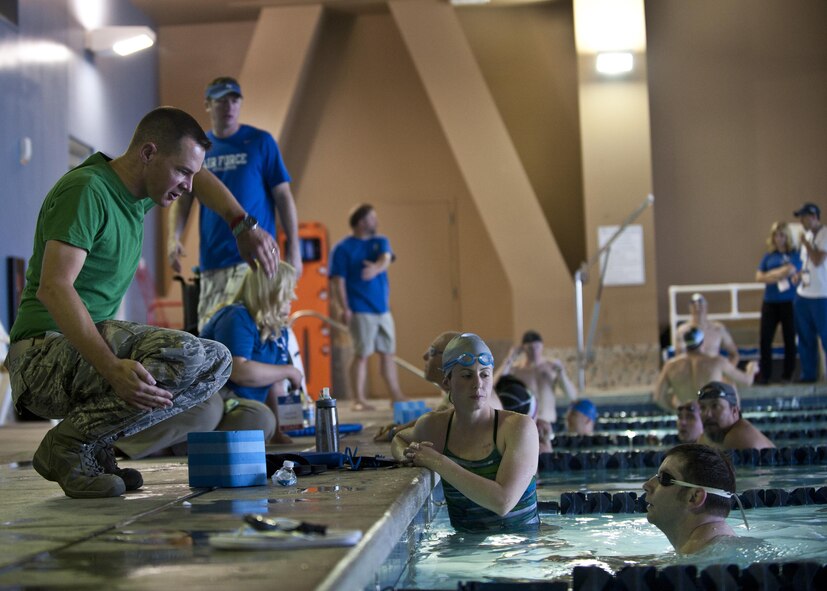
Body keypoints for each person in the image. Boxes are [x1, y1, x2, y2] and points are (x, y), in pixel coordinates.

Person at [4, 107, 279, 498]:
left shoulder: (138, 194)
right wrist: (111, 367)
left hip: (74, 356)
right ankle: (66, 445)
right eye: (182, 171)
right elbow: (54, 288)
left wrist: (241, 224)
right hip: (39, 357)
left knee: (217, 362)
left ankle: (93, 444)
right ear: (148, 153)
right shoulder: (88, 190)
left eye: (190, 175)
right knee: (184, 351)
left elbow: (202, 181)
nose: (187, 185)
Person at [168, 76, 301, 331]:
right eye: (220, 101)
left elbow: (284, 196)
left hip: (259, 261)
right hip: (214, 261)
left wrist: (294, 248)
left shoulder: (261, 142)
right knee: (214, 338)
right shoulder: (199, 148)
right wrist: (173, 238)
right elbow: (183, 197)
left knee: (261, 334)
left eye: (234, 100)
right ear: (207, 105)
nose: (228, 107)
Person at [392, 333, 540, 533]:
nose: (478, 384)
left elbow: (503, 502)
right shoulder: (434, 427)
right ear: (447, 382)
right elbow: (400, 439)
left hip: (520, 549)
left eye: (485, 374)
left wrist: (437, 461)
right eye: (467, 375)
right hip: (465, 551)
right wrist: (408, 456)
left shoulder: (519, 428)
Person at [198, 263, 303, 444]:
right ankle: (187, 443)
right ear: (269, 291)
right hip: (216, 398)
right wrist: (289, 371)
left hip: (241, 405)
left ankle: (202, 444)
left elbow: (275, 384)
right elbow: (240, 371)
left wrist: (278, 432)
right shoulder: (237, 316)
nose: (293, 297)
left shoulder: (278, 330)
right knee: (256, 419)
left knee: (263, 421)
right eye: (287, 291)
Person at [330, 204, 405, 410]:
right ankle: (359, 399)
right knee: (362, 354)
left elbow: (386, 257)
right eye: (372, 218)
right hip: (359, 309)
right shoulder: (343, 248)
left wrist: (376, 269)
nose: (376, 222)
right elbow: (338, 281)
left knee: (388, 353)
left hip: (382, 309)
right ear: (362, 222)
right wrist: (344, 307)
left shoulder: (380, 241)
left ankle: (395, 394)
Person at [643, 443, 741, 554]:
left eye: (664, 478)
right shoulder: (718, 549)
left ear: (694, 497)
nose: (647, 485)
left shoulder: (698, 561)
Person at [653, 327, 758, 411]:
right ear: (703, 342)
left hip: (688, 416)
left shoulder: (670, 366)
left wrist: (677, 410)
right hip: (710, 415)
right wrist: (751, 369)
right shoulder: (716, 362)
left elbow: (658, 397)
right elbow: (746, 381)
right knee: (729, 384)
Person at [499, 330, 577, 431]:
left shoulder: (552, 368)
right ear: (523, 348)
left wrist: (562, 374)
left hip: (549, 423)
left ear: (542, 346)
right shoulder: (516, 370)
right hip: (527, 424)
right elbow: (496, 385)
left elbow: (572, 396)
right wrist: (509, 358)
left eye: (537, 347)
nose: (534, 351)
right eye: (530, 348)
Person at [755, 221, 801, 384]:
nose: (778, 238)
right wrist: (778, 273)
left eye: (781, 235)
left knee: (789, 338)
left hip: (788, 302)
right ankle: (765, 375)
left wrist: (771, 275)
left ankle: (788, 374)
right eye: (775, 235)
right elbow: (759, 277)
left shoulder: (795, 253)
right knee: (765, 339)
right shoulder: (768, 256)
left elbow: (791, 270)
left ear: (786, 236)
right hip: (770, 302)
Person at [792, 202, 827, 383]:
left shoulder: (824, 234)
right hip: (803, 294)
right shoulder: (807, 235)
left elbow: (819, 260)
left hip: (821, 295)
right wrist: (798, 275)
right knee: (805, 336)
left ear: (813, 217)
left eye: (804, 218)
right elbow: (806, 263)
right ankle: (808, 374)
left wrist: (806, 243)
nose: (802, 223)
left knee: (825, 335)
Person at [698, 381, 775, 450]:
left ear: (734, 411)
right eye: (702, 407)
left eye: (715, 406)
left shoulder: (736, 438)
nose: (707, 414)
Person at [675, 293, 740, 365]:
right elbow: (678, 359)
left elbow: (734, 354)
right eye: (694, 305)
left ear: (706, 306)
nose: (698, 307)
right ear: (690, 307)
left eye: (701, 304)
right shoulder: (683, 330)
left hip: (712, 372)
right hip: (692, 373)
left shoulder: (718, 329)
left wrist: (727, 373)